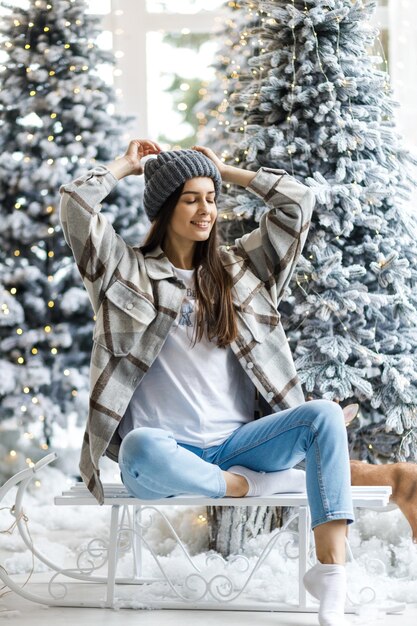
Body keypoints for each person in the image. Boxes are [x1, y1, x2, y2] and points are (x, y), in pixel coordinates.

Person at [58, 138, 364, 626]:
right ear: (164, 207)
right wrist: (125, 166)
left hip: (239, 441)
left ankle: (331, 576)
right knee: (138, 448)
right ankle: (242, 487)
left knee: (324, 414)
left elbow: (298, 202)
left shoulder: (241, 271)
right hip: (165, 454)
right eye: (191, 198)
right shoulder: (123, 272)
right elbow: (75, 204)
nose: (207, 209)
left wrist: (226, 170)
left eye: (212, 197)